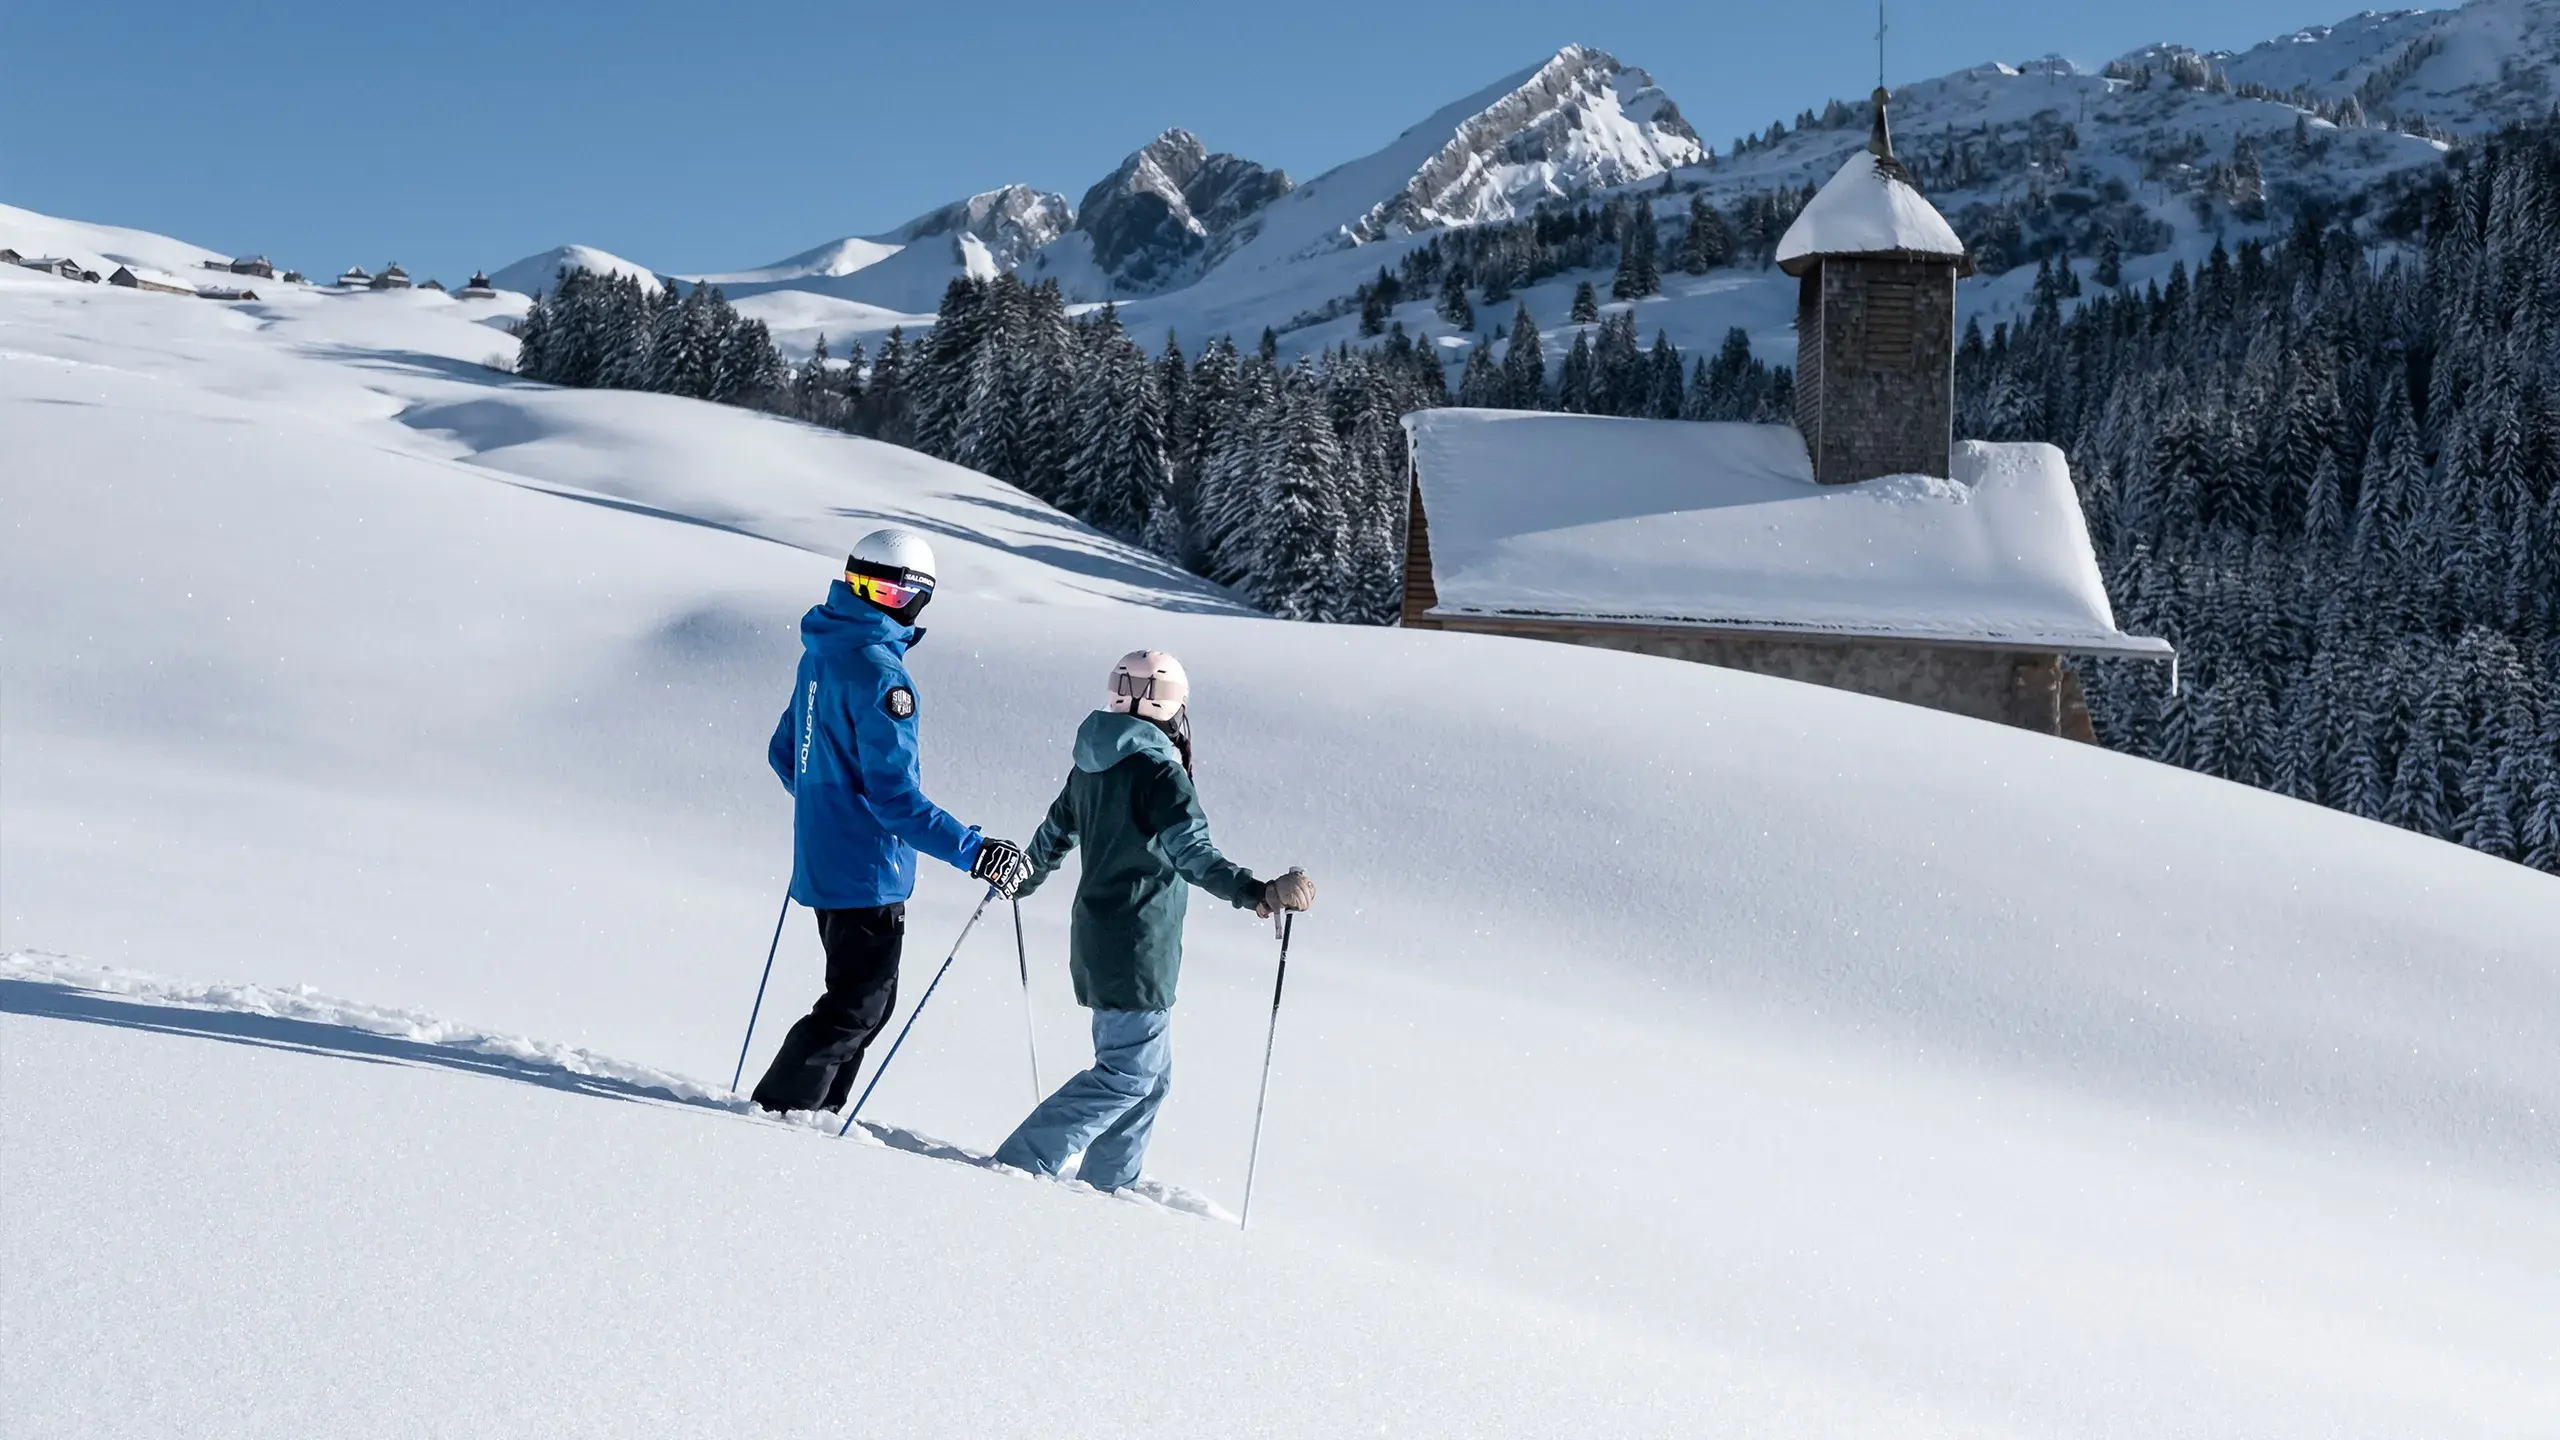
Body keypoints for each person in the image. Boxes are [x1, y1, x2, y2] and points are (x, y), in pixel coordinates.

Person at [994, 650, 1314, 1191]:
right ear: (1172, 706)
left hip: (1100, 940)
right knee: (1127, 1076)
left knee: (1151, 1079)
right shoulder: (1158, 771)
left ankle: (1108, 1187)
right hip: (1138, 943)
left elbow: (1052, 837)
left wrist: (1021, 878)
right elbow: (1194, 855)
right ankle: (1020, 1162)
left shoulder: (1091, 763)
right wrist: (1258, 891)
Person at [751, 528, 1032, 1115]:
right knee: (857, 1007)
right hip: (864, 870)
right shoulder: (882, 675)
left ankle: (814, 1112)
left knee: (867, 1003)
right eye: (874, 589)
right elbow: (894, 799)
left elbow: (786, 755)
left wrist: (826, 810)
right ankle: (780, 1111)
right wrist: (974, 851)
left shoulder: (822, 651)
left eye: (898, 595)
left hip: (825, 860)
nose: (887, 604)